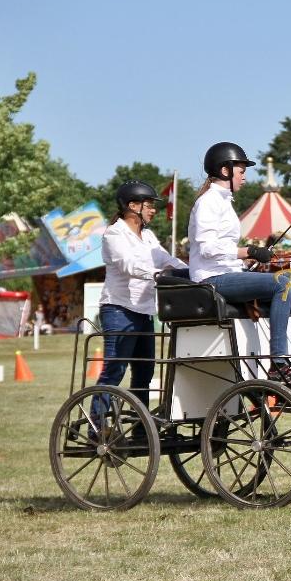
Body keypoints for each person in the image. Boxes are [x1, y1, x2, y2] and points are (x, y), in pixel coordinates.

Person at [188, 141, 291, 385]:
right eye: (241, 171)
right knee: (282, 284)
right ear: (225, 170)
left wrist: (247, 263)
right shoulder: (208, 202)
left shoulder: (224, 201)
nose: (244, 176)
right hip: (211, 279)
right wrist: (250, 251)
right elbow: (207, 248)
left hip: (231, 274)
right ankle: (278, 364)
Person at [93, 180, 188, 433]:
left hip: (144, 311)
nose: (153, 210)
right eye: (148, 205)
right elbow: (127, 265)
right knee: (115, 369)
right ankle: (97, 426)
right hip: (118, 309)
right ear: (132, 206)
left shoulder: (147, 236)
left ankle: (140, 427)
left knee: (144, 372)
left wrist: (190, 272)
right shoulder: (114, 234)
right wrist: (157, 275)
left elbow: (166, 259)